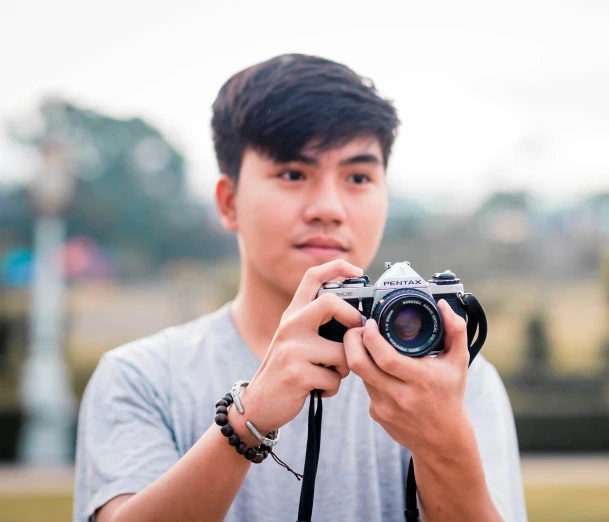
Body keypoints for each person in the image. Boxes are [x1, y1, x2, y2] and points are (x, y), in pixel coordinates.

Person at [73, 54, 527, 522]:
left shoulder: (451, 374)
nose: (328, 207)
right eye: (293, 174)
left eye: (358, 177)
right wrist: (248, 419)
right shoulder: (141, 378)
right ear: (229, 203)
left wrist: (443, 442)